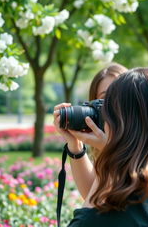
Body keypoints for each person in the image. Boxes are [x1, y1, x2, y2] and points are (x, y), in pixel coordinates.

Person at [53, 67, 148, 227]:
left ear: (125, 123)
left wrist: (112, 154)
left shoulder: (109, 217)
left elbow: (88, 219)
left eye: (109, 108)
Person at [53, 63, 127, 200]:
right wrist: (75, 145)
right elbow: (91, 196)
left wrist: (110, 150)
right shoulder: (102, 143)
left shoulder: (147, 144)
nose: (113, 105)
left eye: (118, 97)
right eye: (104, 100)